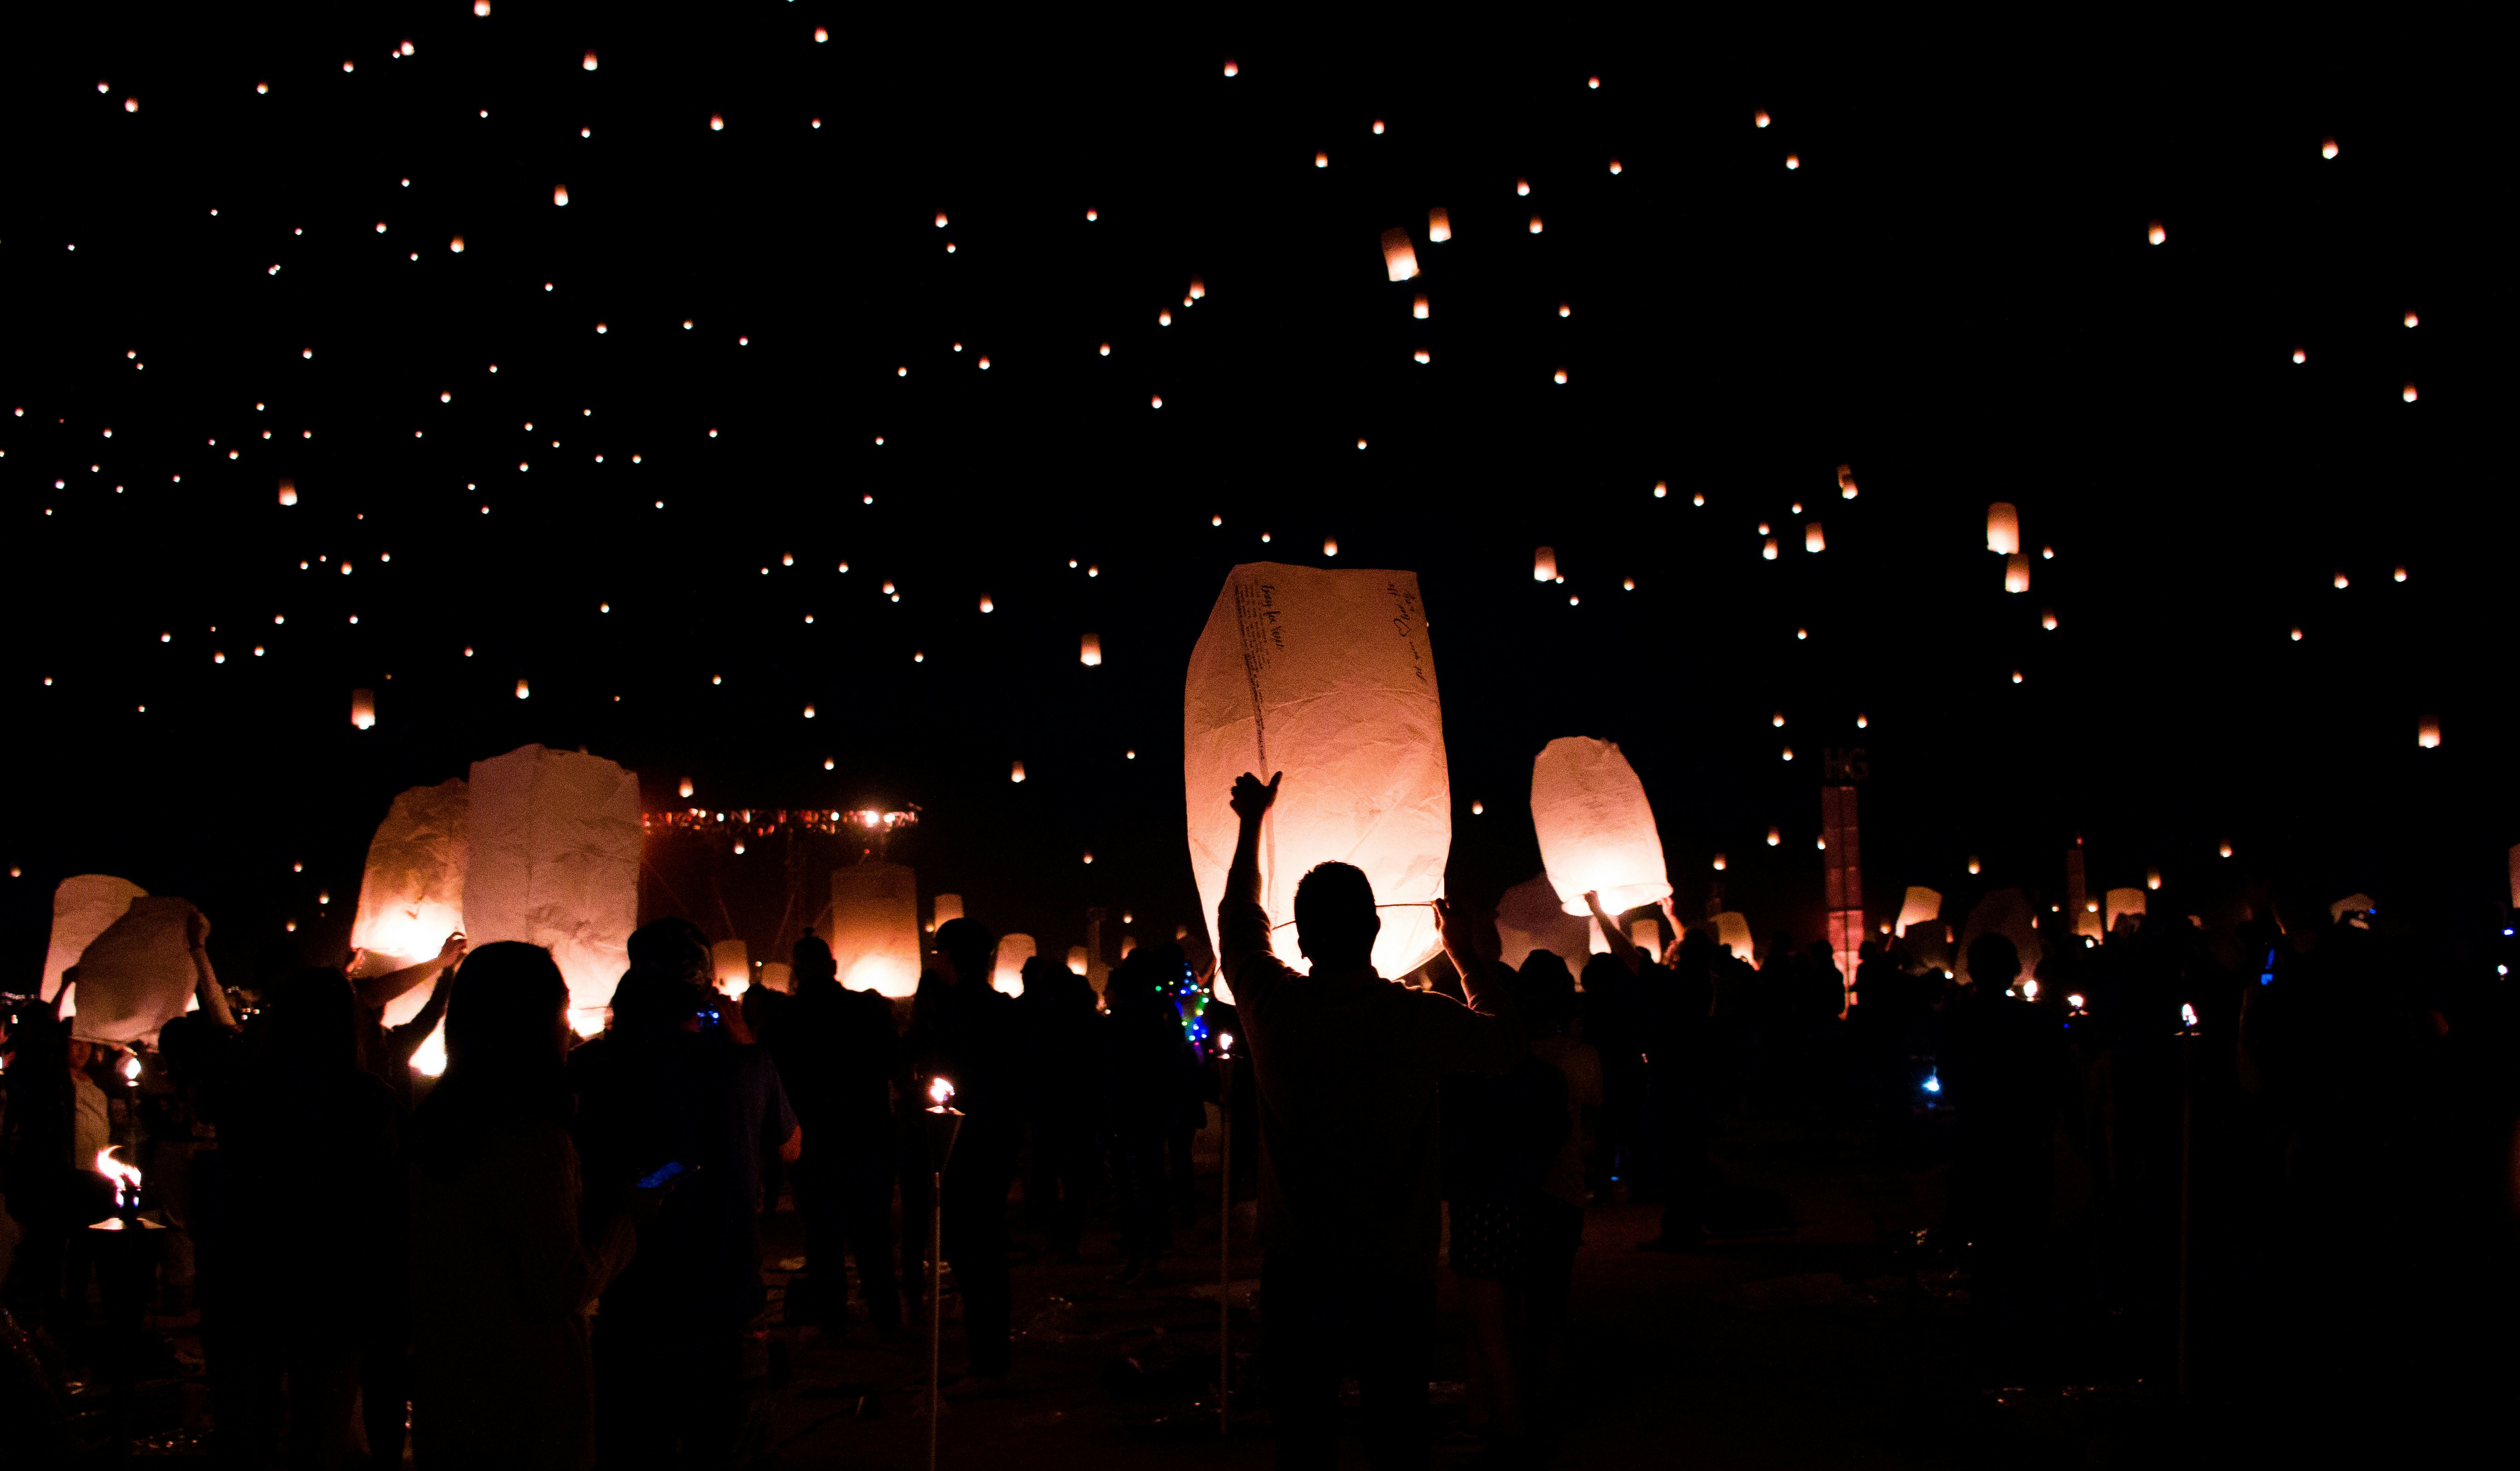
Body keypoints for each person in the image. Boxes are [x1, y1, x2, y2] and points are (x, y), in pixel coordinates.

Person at [1218, 771, 1522, 1471]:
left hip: (1299, 1265)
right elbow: (1505, 1045)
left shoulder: (1272, 1008)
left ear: (1301, 939)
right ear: (1379, 927)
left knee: (1303, 1434)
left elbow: (1237, 918)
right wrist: (1468, 959)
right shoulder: (1416, 1019)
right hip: (1394, 1268)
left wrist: (1251, 820)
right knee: (1395, 1432)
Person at [573, 920, 801, 1468]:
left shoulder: (592, 1070)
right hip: (728, 1313)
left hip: (634, 1308)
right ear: (707, 993)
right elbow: (792, 1147)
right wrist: (743, 1041)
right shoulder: (746, 1065)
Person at [408, 942, 636, 1471]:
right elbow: (558, 1287)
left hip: (452, 1398)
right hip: (527, 1408)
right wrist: (630, 1219)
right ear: (528, 1027)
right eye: (560, 1013)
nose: (569, 1031)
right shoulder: (529, 1140)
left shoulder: (435, 1124)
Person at [216, 964, 404, 1471]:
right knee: (321, 1433)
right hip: (339, 1282)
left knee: (260, 1431)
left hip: (263, 1275)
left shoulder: (248, 1097)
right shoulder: (368, 1100)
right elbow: (384, 1197)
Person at [906, 916, 1023, 1389]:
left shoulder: (954, 1010)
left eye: (939, 952)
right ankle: (990, 1353)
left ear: (951, 957)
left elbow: (941, 1070)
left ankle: (987, 1359)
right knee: (987, 1249)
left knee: (973, 1251)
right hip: (997, 1141)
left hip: (963, 1144)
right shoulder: (1002, 1009)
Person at [771, 934, 905, 1334]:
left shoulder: (785, 1019)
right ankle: (886, 1315)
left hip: (813, 1139)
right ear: (832, 967)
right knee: (872, 1233)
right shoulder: (867, 1009)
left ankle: (834, 1319)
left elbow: (774, 1079)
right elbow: (895, 1066)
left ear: (796, 972)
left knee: (823, 1235)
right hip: (866, 1135)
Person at [1104, 943, 1199, 1283]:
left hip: (1134, 1108)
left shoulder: (1129, 1016)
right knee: (1148, 1180)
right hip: (1151, 1109)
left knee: (1136, 1184)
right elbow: (1178, 1060)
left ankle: (1142, 1254)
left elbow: (1116, 1069)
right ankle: (1150, 1253)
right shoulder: (1162, 1011)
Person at [1018, 953, 1104, 1265]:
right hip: (1077, 1107)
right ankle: (1068, 1239)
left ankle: (1061, 1238)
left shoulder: (1045, 1020)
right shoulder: (1089, 1021)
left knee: (1050, 1176)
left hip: (1051, 1106)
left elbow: (1032, 1063)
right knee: (1073, 1178)